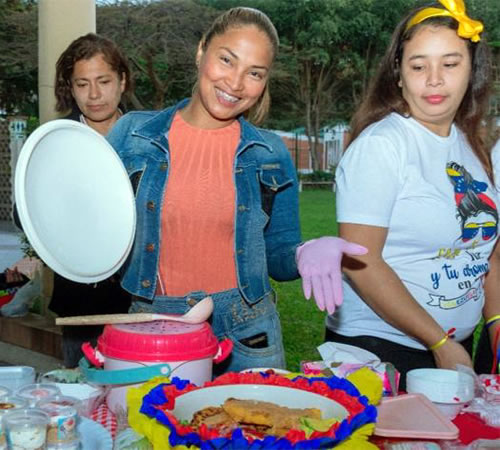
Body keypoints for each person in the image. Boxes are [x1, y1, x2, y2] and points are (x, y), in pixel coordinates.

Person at [107, 7, 366, 373]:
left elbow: (277, 255)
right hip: (155, 322)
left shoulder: (270, 153)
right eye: (227, 60)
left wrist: (304, 251)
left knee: (257, 429)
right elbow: (90, 225)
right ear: (202, 52)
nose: (236, 82)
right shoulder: (133, 135)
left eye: (254, 73)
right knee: (148, 431)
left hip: (247, 330)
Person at [325, 0, 499, 386]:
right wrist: (438, 340)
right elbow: (362, 262)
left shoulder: (471, 145)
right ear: (399, 76)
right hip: (382, 347)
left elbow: (486, 254)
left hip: (452, 345)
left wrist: (494, 322)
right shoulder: (382, 145)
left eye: (450, 64)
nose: (434, 79)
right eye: (418, 66)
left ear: (472, 71)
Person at [50, 33, 133, 367]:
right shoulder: (54, 143)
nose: (94, 94)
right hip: (81, 305)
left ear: (122, 81)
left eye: (104, 81)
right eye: (82, 84)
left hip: (141, 301)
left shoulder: (149, 136)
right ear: (70, 88)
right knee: (83, 400)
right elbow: (26, 213)